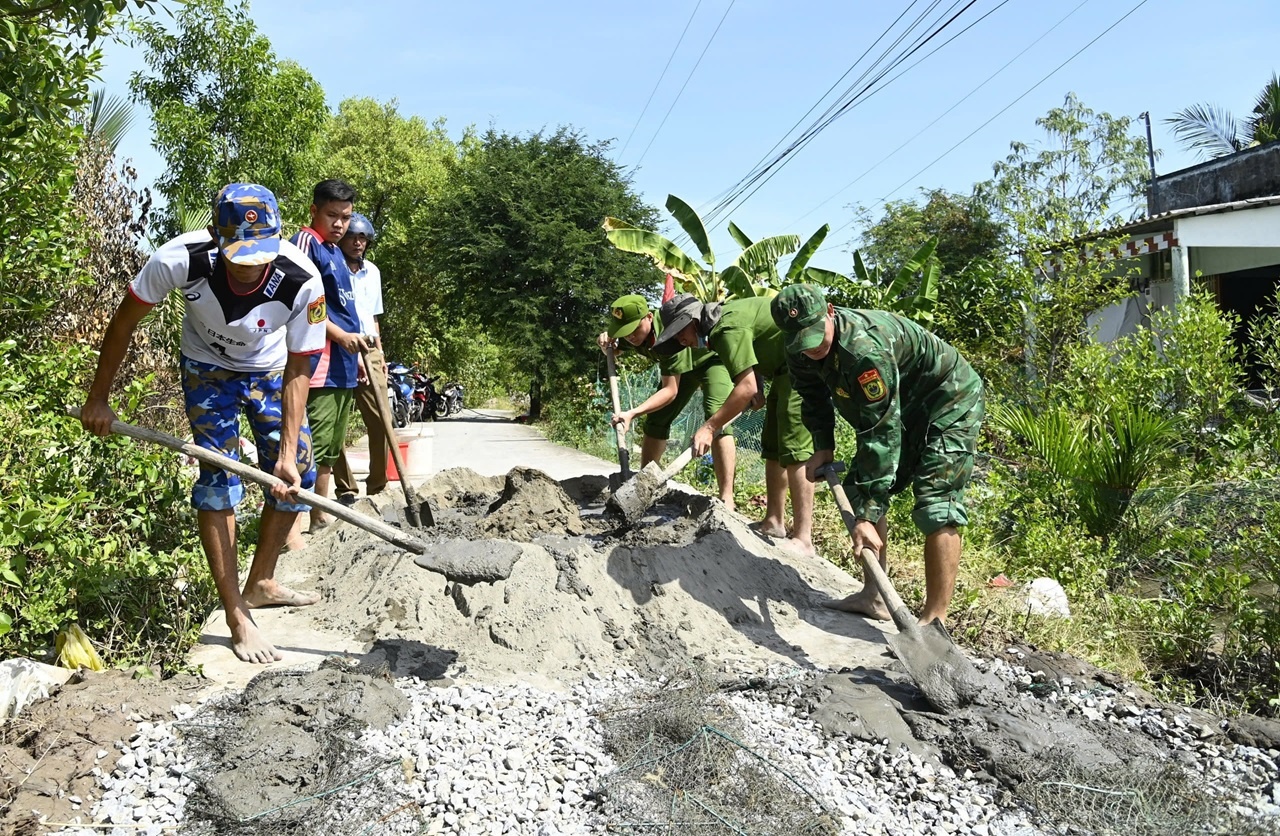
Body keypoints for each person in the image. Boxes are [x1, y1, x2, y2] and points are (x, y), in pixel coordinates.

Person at [80, 183, 327, 664]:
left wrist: (285, 455)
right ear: (216, 237)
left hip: (270, 369)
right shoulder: (180, 259)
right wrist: (99, 399)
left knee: (299, 470)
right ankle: (237, 614)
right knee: (219, 477)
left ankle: (261, 582)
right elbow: (124, 321)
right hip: (205, 369)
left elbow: (301, 366)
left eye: (260, 257)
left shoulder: (303, 280)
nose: (250, 267)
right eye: (238, 256)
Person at [771, 283, 985, 626]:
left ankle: (934, 622)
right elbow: (811, 395)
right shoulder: (799, 346)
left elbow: (880, 431)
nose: (812, 350)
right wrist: (823, 445)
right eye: (801, 343)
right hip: (899, 403)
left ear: (830, 310)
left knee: (936, 501)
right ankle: (876, 596)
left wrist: (868, 517)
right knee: (857, 482)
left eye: (816, 337)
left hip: (947, 399)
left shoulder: (864, 350)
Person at [651, 293, 816, 555]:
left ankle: (804, 537)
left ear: (692, 320)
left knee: (795, 446)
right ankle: (774, 521)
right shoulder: (720, 326)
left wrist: (709, 427)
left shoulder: (724, 328)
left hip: (803, 363)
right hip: (783, 368)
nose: (681, 341)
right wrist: (759, 386)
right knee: (773, 442)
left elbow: (745, 387)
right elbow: (757, 350)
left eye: (680, 332)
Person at [597, 294, 737, 508]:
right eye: (624, 332)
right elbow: (618, 346)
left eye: (634, 329)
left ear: (649, 318)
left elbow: (671, 391)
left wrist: (632, 413)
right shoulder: (632, 336)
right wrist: (610, 343)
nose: (631, 337)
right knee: (656, 419)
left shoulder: (669, 332)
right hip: (684, 370)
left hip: (711, 360)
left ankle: (727, 498)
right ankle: (643, 487)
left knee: (716, 415)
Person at [291, 179, 362, 532]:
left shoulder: (338, 252)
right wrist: (339, 335)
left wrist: (357, 349)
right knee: (314, 443)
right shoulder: (307, 243)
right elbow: (304, 304)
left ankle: (321, 512)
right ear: (314, 211)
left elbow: (343, 308)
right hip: (317, 362)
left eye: (345, 217)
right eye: (332, 215)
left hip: (344, 363)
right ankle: (299, 520)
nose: (339, 224)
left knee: (332, 446)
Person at [332, 213, 388, 505]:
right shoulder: (332, 269)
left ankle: (378, 485)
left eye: (362, 238)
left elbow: (373, 316)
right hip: (338, 349)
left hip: (369, 349)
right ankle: (346, 488)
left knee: (382, 421)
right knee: (336, 425)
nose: (357, 243)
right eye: (352, 237)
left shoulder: (373, 272)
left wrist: (380, 355)